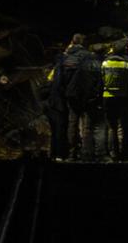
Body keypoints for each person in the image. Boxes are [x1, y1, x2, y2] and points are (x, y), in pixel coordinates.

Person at [47, 33, 94, 161]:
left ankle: (71, 153)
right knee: (87, 125)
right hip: (87, 95)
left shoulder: (66, 58)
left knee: (72, 123)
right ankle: (87, 154)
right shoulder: (89, 57)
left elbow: (59, 80)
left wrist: (63, 93)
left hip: (70, 95)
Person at [102, 40, 128, 160]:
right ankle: (126, 152)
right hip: (123, 98)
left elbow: (100, 80)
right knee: (125, 126)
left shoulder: (105, 63)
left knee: (111, 126)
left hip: (107, 97)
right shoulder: (127, 65)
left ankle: (113, 152)